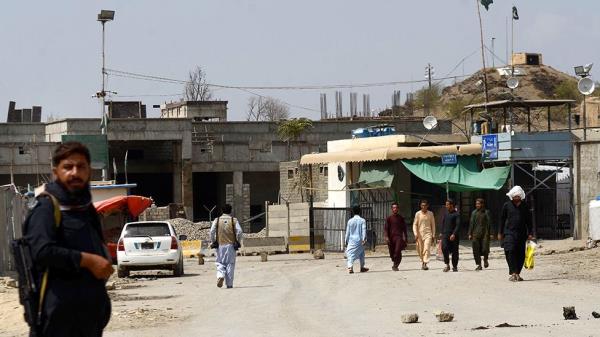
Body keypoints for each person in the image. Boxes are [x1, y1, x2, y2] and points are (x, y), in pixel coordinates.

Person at [23, 141, 113, 337]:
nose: (74, 173)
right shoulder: (47, 209)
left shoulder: (86, 209)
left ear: (89, 171)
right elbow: (41, 252)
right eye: (68, 167)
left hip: (87, 322)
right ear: (56, 172)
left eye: (81, 167)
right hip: (56, 322)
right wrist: (87, 260)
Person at [499, 186, 534, 282]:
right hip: (509, 233)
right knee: (510, 251)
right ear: (511, 196)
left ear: (521, 196)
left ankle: (517, 273)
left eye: (518, 196)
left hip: (521, 233)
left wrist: (530, 232)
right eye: (514, 196)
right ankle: (513, 272)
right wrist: (500, 232)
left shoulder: (525, 206)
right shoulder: (507, 205)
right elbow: (502, 219)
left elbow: (529, 221)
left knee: (520, 254)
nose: (516, 198)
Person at [210, 204, 243, 288]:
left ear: (222, 211)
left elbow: (212, 231)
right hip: (231, 246)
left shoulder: (216, 220)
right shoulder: (234, 220)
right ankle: (229, 284)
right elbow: (239, 231)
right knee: (230, 264)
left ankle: (220, 275)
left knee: (220, 262)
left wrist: (214, 241)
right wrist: (238, 241)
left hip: (220, 245)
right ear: (230, 211)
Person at [468, 198, 493, 270]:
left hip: (485, 233)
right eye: (476, 204)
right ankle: (479, 264)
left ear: (482, 204)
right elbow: (471, 224)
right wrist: (470, 233)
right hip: (475, 234)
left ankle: (485, 259)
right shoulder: (474, 213)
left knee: (485, 249)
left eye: (478, 204)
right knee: (475, 249)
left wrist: (491, 233)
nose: (477, 205)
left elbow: (490, 223)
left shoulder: (486, 212)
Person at [412, 199, 436, 270]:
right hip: (419, 234)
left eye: (425, 205)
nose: (423, 207)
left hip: (428, 234)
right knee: (420, 249)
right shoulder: (418, 214)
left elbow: (433, 225)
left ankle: (425, 263)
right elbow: (414, 224)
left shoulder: (430, 213)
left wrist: (433, 235)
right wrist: (415, 234)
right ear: (420, 206)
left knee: (426, 248)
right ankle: (423, 261)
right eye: (422, 205)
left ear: (427, 206)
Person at [344, 205, 369, 274]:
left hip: (352, 240)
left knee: (350, 253)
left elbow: (347, 232)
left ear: (353, 211)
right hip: (360, 240)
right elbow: (364, 230)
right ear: (360, 211)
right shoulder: (362, 220)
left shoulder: (350, 221)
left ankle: (350, 267)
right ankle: (362, 267)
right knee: (361, 253)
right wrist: (364, 239)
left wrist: (345, 240)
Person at [384, 202, 407, 271]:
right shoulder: (389, 218)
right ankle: (394, 261)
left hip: (398, 237)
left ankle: (395, 265)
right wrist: (386, 237)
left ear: (398, 209)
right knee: (392, 253)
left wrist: (405, 237)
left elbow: (404, 228)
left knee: (397, 251)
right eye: (394, 208)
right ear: (392, 209)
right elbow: (386, 228)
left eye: (396, 208)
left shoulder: (401, 218)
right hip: (391, 238)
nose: (395, 209)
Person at [440, 199, 461, 272]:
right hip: (445, 235)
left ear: (451, 205)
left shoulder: (456, 214)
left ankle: (455, 266)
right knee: (444, 248)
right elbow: (443, 223)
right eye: (446, 205)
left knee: (455, 251)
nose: (446, 206)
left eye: (447, 205)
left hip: (454, 236)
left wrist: (454, 234)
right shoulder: (445, 214)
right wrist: (441, 232)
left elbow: (458, 225)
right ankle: (447, 264)